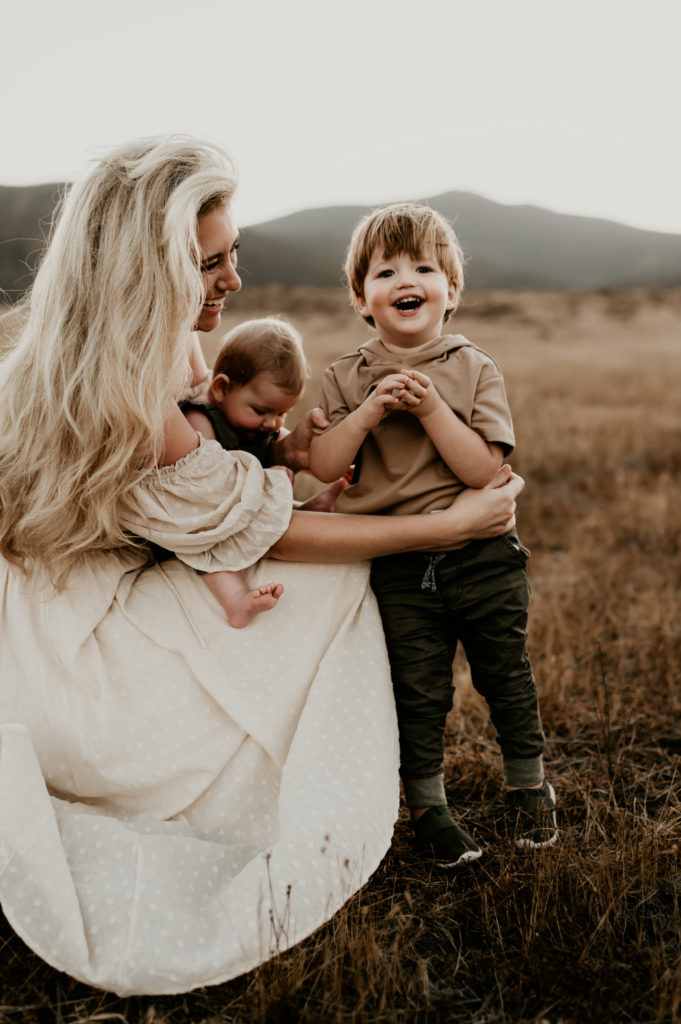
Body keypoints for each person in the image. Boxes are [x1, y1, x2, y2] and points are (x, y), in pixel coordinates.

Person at [0, 138, 524, 997]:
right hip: (72, 661)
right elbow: (262, 532)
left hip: (85, 604)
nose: (232, 279)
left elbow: (248, 495)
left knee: (315, 571)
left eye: (232, 252)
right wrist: (441, 527)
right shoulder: (125, 388)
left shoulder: (158, 347)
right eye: (210, 262)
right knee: (336, 583)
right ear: (147, 272)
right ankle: (258, 775)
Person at [309, 202, 557, 870]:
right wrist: (365, 412)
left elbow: (485, 469)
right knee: (416, 693)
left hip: (481, 559)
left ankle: (528, 783)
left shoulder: (473, 367)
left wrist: (429, 407)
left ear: (451, 292)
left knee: (504, 674)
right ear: (362, 299)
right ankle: (426, 806)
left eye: (422, 266)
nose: (403, 278)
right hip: (396, 566)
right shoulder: (343, 375)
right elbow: (327, 466)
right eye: (384, 270)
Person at [180, 317, 309, 627]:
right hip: (199, 517)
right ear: (222, 388)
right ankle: (235, 599)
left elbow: (285, 449)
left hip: (241, 512)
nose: (273, 423)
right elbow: (213, 482)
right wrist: (268, 481)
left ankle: (312, 508)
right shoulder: (201, 421)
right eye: (262, 411)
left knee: (288, 508)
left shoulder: (264, 427)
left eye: (283, 413)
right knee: (205, 544)